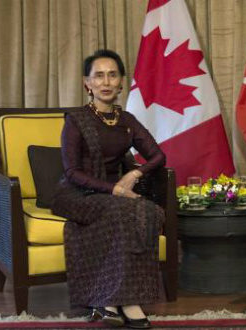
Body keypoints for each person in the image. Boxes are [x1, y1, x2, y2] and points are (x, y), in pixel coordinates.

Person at [52, 49, 166, 329]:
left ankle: (114, 301)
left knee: (148, 212)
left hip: (114, 193)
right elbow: (72, 172)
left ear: (121, 82)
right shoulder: (75, 120)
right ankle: (127, 302)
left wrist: (135, 173)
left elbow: (158, 156)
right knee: (122, 210)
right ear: (87, 83)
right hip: (75, 194)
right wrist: (114, 189)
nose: (105, 82)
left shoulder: (126, 120)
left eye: (112, 75)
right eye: (98, 75)